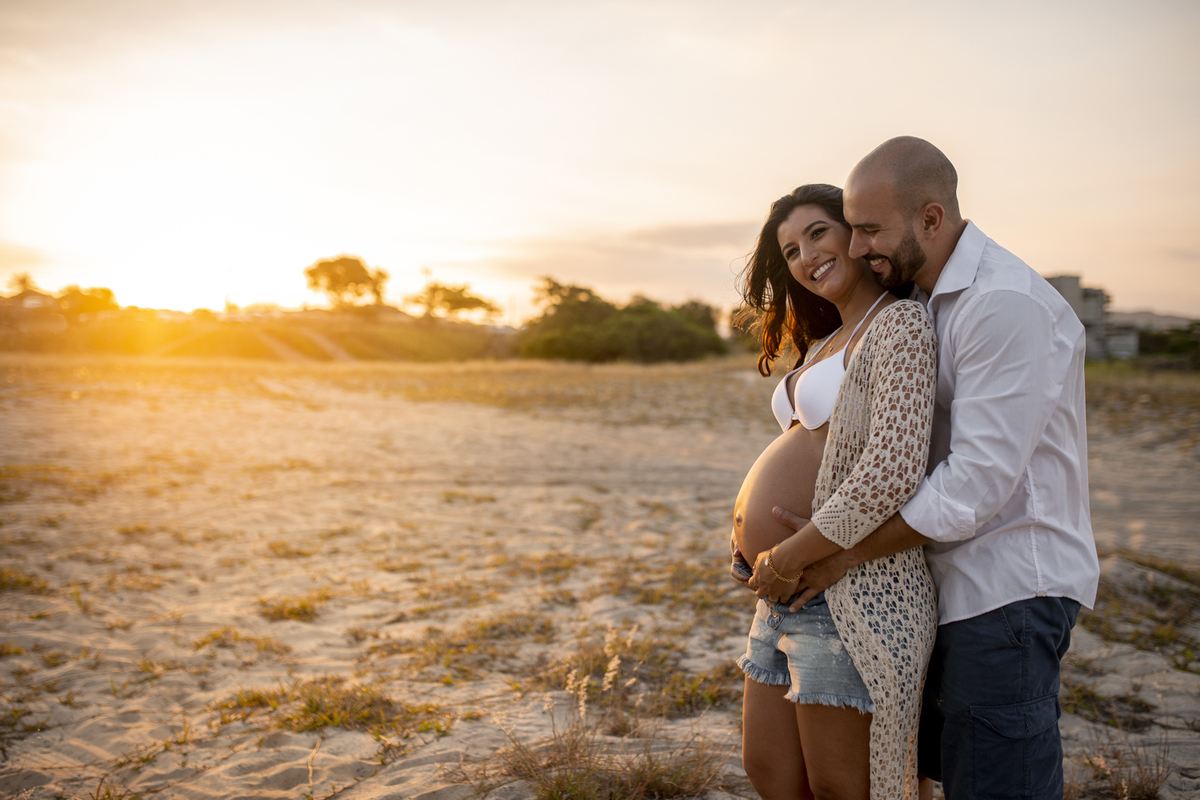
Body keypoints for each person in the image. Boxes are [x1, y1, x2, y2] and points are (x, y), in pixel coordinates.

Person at [771, 137, 1100, 800]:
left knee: (995, 786)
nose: (858, 248)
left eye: (869, 230)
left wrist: (840, 552)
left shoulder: (1003, 303)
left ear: (931, 218)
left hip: (1008, 586)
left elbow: (973, 487)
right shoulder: (925, 302)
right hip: (945, 583)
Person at [730, 182, 938, 800]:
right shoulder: (823, 343)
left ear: (856, 233)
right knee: (770, 773)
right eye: (790, 250)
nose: (805, 257)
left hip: (851, 594)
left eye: (818, 232)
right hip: (782, 595)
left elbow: (893, 470)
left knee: (843, 788)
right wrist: (749, 538)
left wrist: (791, 553)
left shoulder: (898, 325)